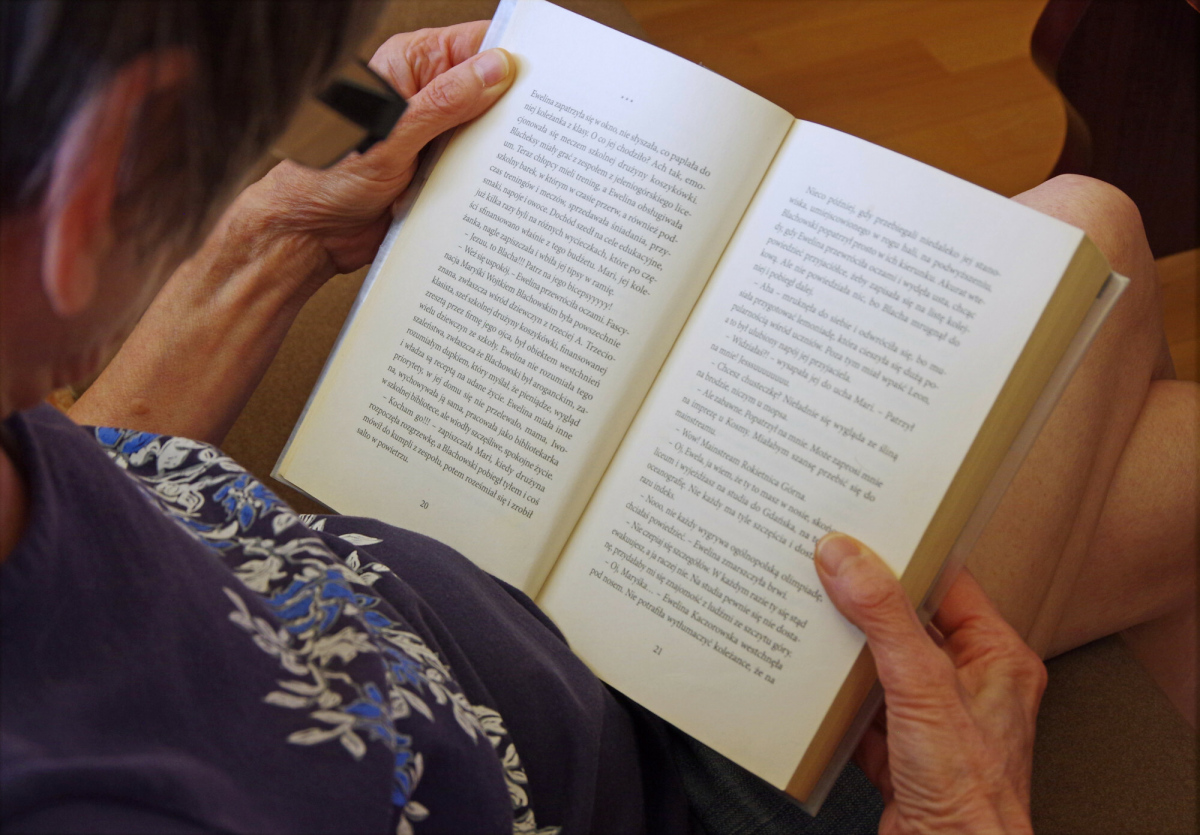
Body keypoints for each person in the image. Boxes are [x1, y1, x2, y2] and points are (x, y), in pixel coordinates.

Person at [1, 2, 1194, 833]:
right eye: (211, 147)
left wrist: (279, 226)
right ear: (92, 184)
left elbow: (108, 467)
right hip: (676, 776)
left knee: (1099, 251)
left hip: (476, 606)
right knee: (1096, 236)